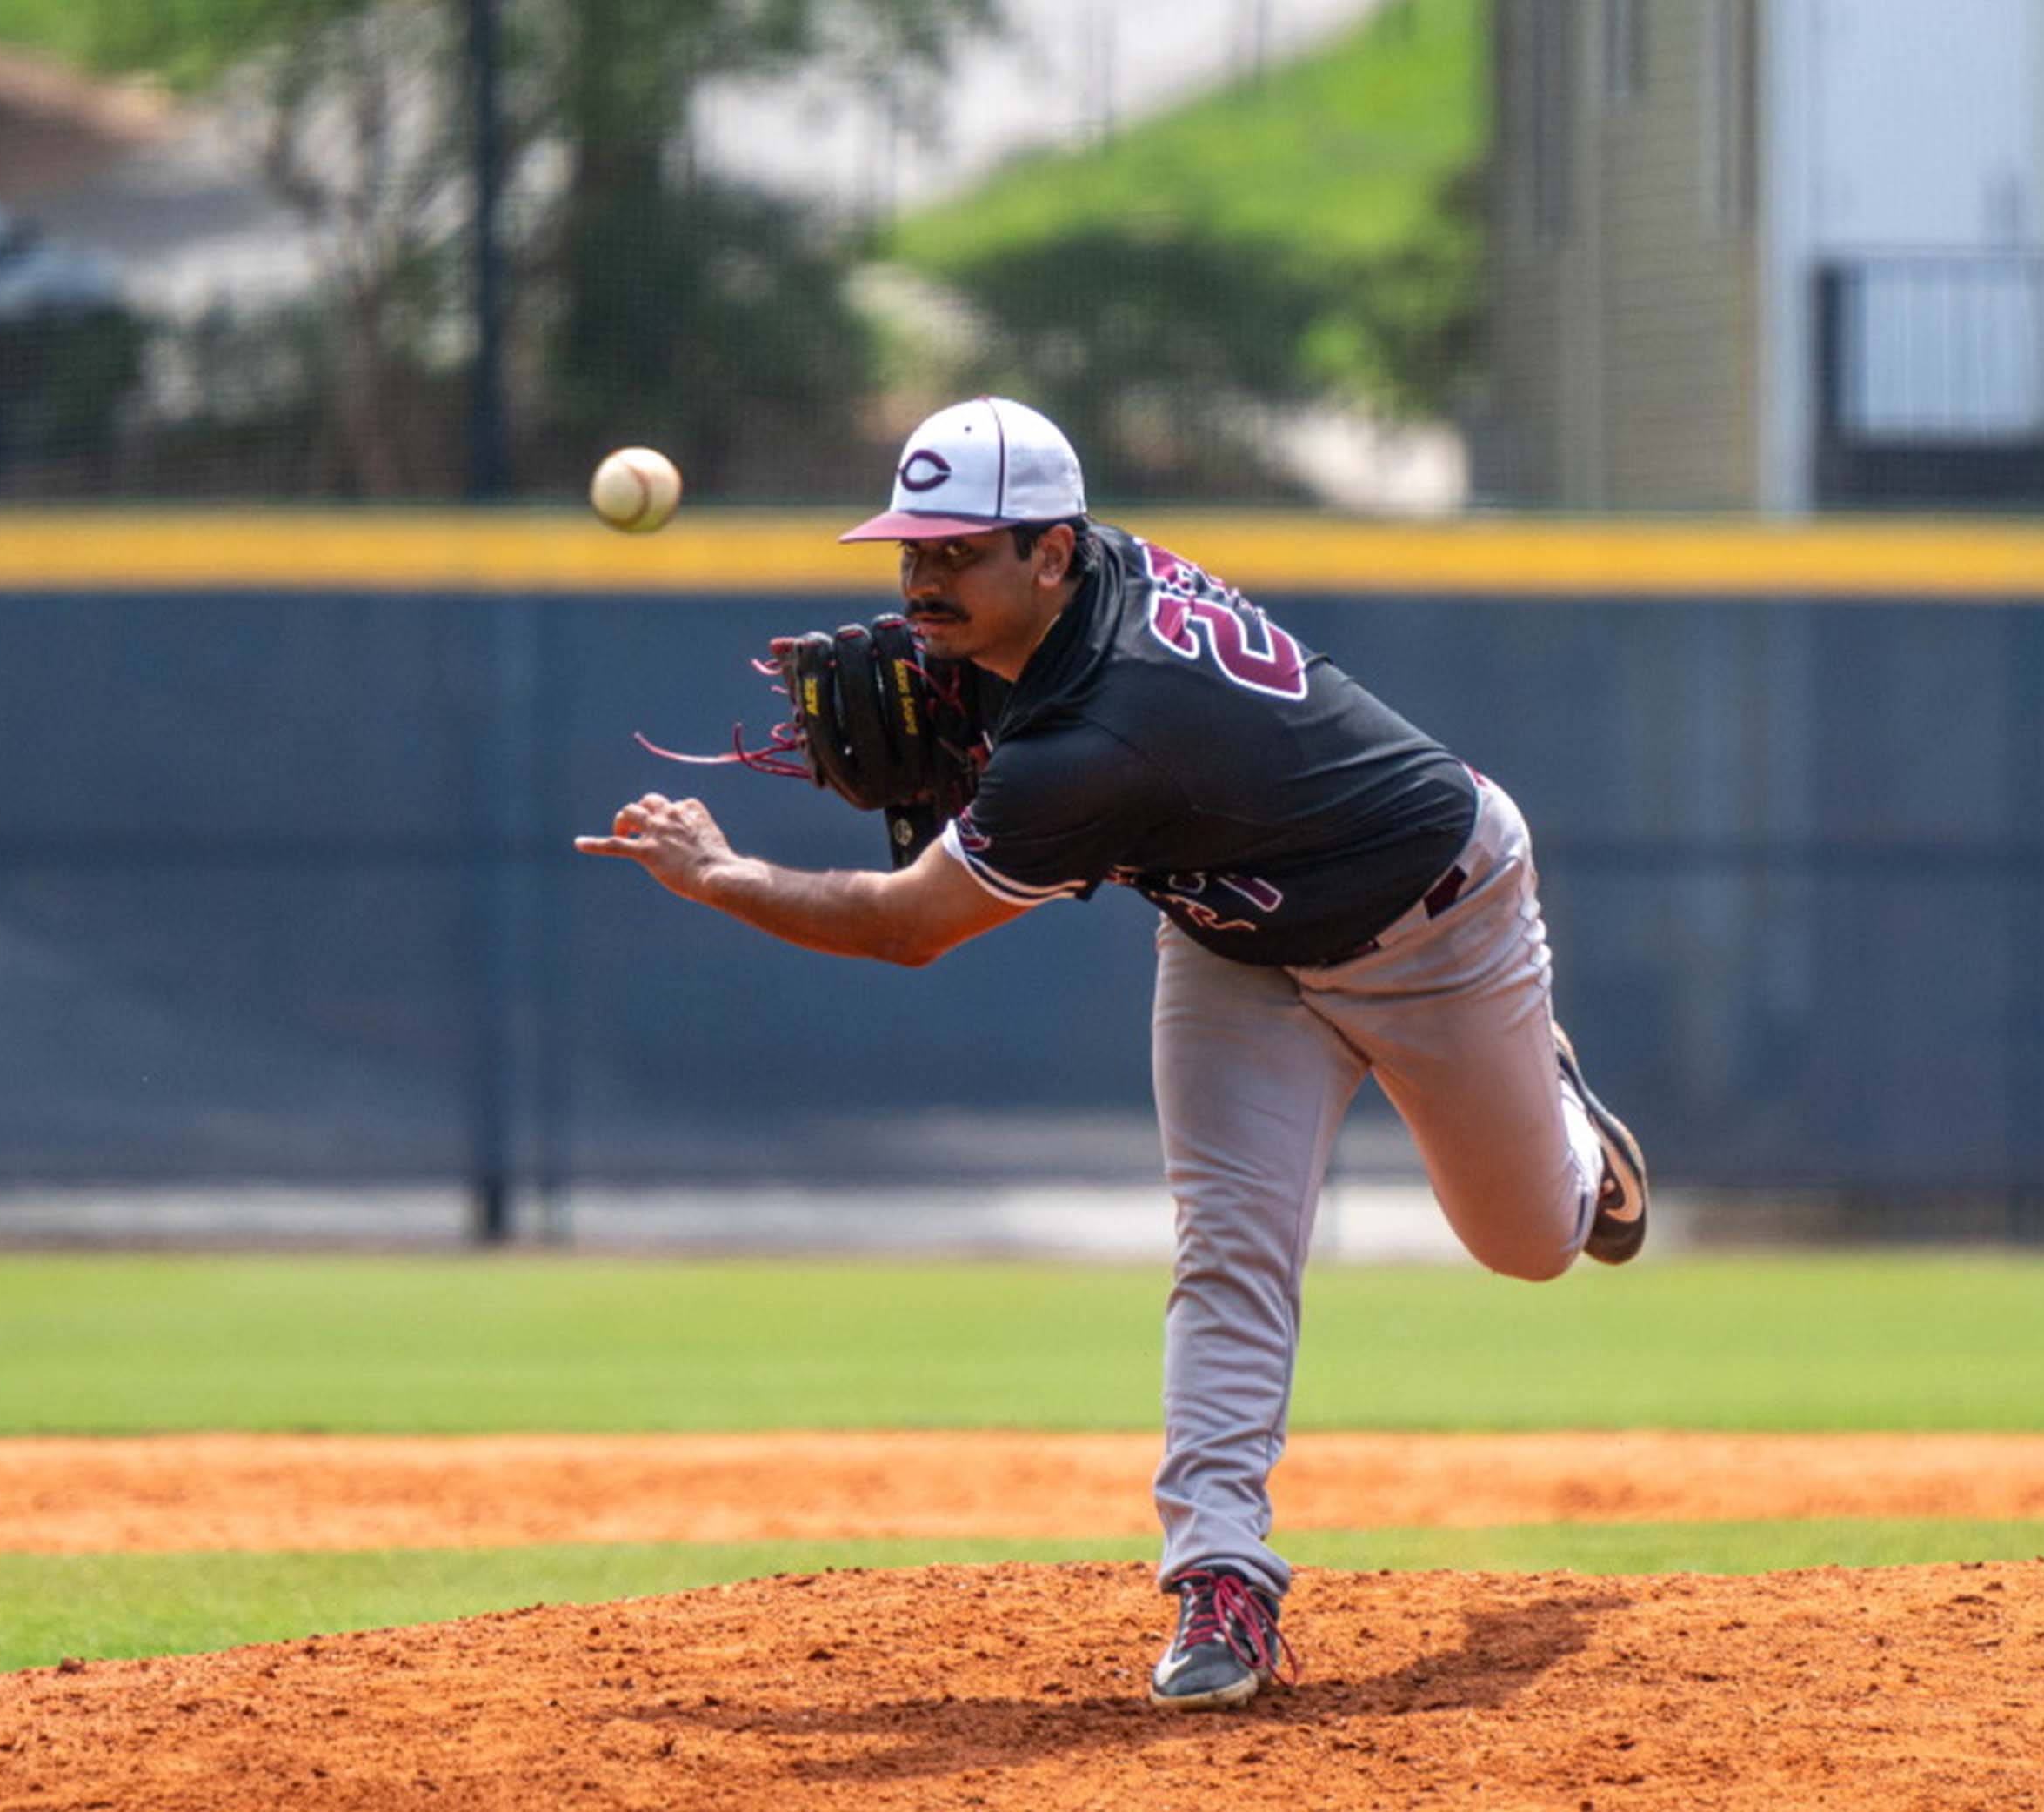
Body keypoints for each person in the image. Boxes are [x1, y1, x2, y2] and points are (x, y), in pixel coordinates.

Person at [580, 397, 1646, 1709]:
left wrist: (723, 871)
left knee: (1530, 1240)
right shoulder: (1085, 599)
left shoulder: (1110, 729)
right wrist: (970, 726)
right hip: (1235, 938)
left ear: (1053, 552)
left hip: (1438, 918)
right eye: (912, 552)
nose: (922, 582)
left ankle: (1570, 1128)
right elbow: (1032, 730)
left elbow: (912, 926)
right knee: (1229, 1243)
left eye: (960, 552)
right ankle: (1223, 1581)